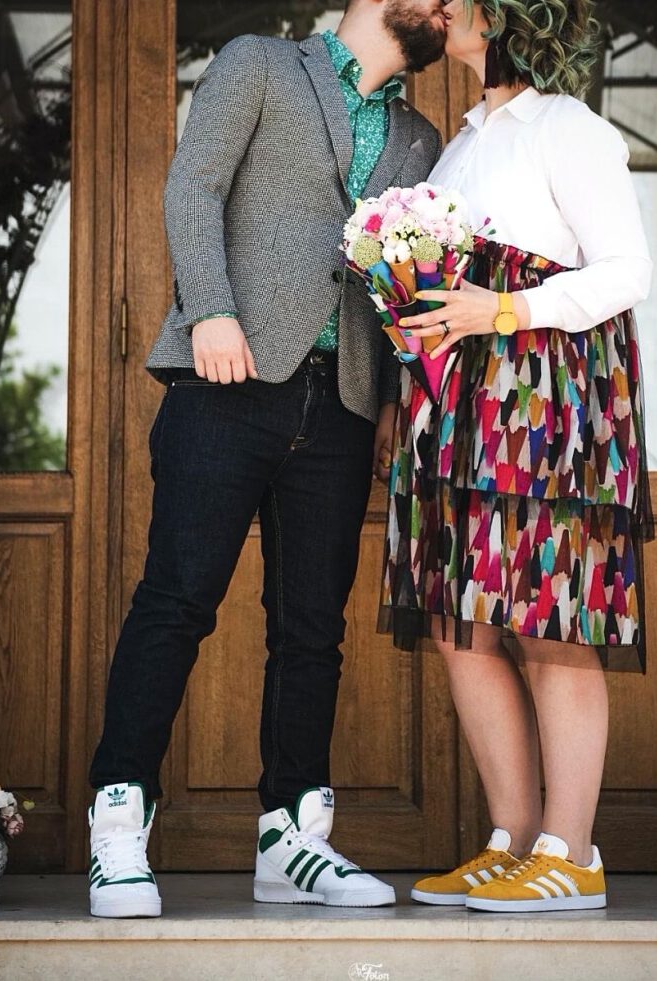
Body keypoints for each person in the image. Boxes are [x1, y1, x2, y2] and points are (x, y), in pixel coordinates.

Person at [86, 0, 447, 918]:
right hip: (228, 375)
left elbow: (406, 283)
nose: (449, 8)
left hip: (344, 402)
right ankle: (119, 825)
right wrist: (209, 307)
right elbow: (194, 185)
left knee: (311, 631)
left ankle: (293, 837)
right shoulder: (258, 63)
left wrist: (392, 407)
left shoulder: (422, 136)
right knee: (176, 600)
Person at [380, 0, 653, 912]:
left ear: (509, 17)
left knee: (550, 619)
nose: (444, 7)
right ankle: (513, 839)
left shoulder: (569, 128)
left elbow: (626, 270)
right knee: (465, 627)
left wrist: (494, 311)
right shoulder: (457, 144)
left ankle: (571, 853)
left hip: (543, 404)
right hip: (455, 411)